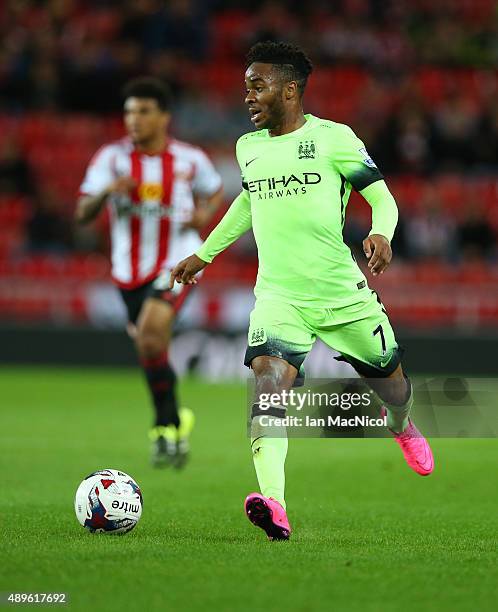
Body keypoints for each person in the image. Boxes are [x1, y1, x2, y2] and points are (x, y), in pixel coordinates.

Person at [170, 41, 435, 540]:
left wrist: (381, 232)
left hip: (342, 294)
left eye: (258, 85)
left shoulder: (334, 139)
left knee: (394, 386)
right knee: (268, 388)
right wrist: (205, 253)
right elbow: (248, 205)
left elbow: (384, 199)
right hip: (279, 296)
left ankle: (400, 424)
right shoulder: (248, 148)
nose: (248, 96)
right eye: (245, 86)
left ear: (291, 89)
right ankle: (275, 504)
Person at [76, 77, 223, 468]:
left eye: (142, 111)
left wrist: (205, 213)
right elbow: (81, 213)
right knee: (150, 345)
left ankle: (162, 428)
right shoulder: (111, 159)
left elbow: (214, 190)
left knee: (153, 331)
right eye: (128, 112)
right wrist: (108, 191)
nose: (133, 120)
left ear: (164, 116)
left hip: (176, 260)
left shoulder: (190, 159)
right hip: (127, 273)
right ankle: (173, 423)